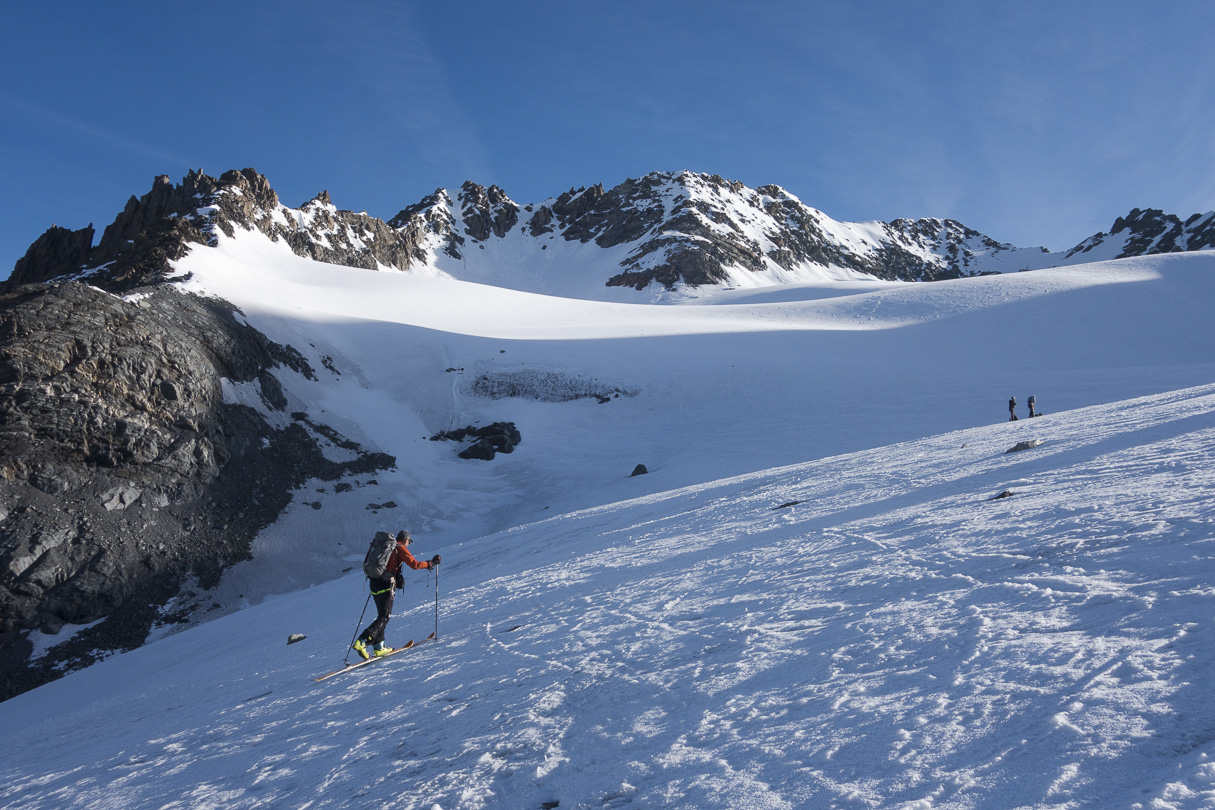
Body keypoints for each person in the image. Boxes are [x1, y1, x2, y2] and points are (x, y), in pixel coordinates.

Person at [353, 530, 440, 660]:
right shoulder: (400, 548)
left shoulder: (384, 546)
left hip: (374, 583)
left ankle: (379, 647)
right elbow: (414, 564)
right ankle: (362, 641)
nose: (408, 544)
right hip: (386, 584)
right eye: (409, 541)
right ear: (406, 539)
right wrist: (430, 564)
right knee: (385, 616)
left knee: (382, 615)